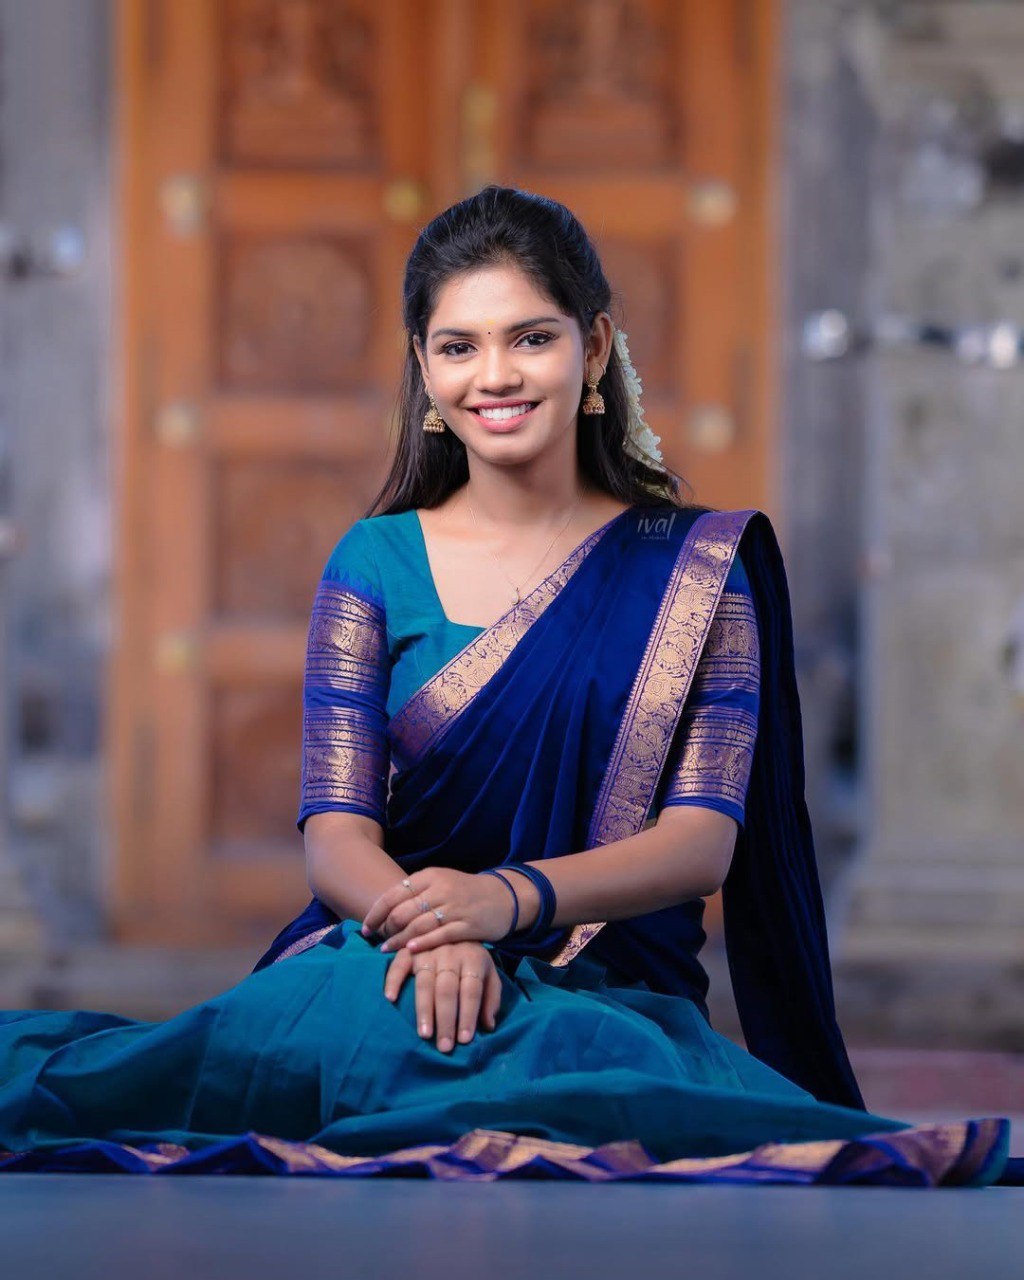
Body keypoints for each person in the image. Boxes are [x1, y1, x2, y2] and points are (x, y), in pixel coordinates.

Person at [0, 186, 1014, 1185]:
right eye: (458, 346)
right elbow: (335, 834)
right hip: (379, 961)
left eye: (530, 338)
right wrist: (433, 929)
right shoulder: (375, 559)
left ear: (596, 348)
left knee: (571, 1074)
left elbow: (698, 841)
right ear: (423, 368)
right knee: (334, 1043)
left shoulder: (697, 567)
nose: (495, 374)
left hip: (603, 988)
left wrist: (501, 902)